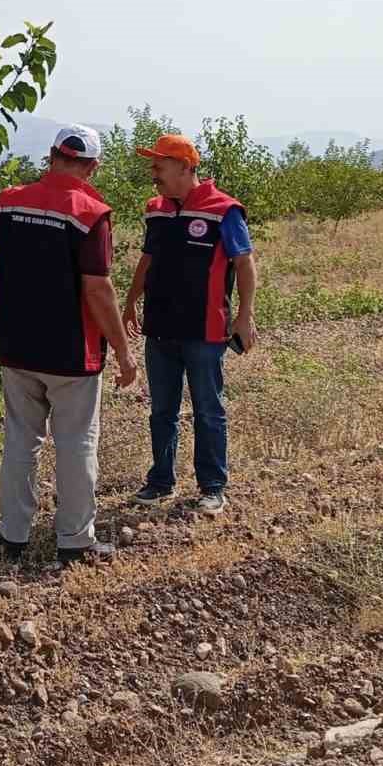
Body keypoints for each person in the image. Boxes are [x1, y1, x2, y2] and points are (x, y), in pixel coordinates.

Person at [0, 125, 139, 565]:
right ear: (92, 166)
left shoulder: (12, 200)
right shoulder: (91, 212)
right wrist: (125, 352)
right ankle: (74, 540)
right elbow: (97, 288)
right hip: (71, 354)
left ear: (51, 155)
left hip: (17, 345)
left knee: (20, 440)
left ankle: (12, 535)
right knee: (76, 444)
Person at [121, 133, 257, 514]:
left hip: (205, 330)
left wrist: (244, 317)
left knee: (207, 410)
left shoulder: (224, 210)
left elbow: (244, 264)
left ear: (184, 167)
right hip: (160, 326)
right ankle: (160, 481)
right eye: (152, 165)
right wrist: (131, 301)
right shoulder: (156, 209)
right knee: (161, 409)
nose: (153, 172)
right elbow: (148, 258)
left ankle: (213, 486)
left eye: (158, 165)